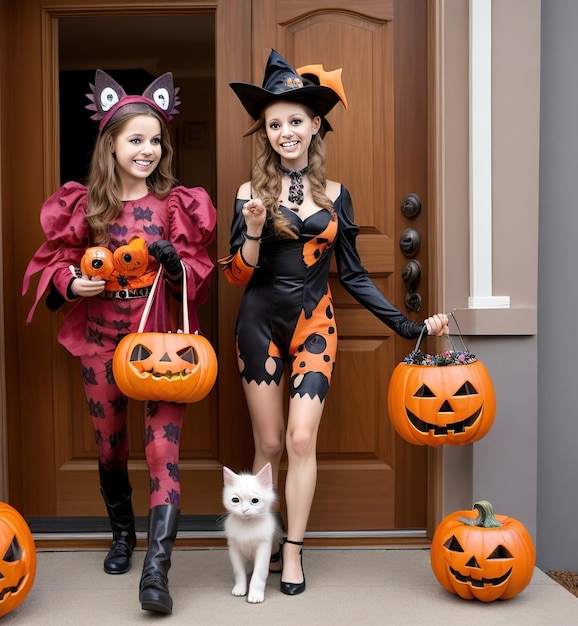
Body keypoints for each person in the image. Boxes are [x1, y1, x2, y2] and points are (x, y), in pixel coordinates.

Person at [221, 50, 449, 596]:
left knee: (302, 439)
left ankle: (293, 551)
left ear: (315, 124)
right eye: (274, 124)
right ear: (266, 133)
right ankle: (262, 545)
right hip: (257, 325)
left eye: (294, 121)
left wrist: (408, 327)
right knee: (270, 443)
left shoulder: (337, 195)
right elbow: (234, 276)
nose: (284, 132)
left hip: (315, 325)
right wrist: (252, 231)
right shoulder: (249, 194)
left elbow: (354, 274)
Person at [23, 69, 216, 614]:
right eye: (136, 139)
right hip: (103, 343)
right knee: (112, 447)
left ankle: (156, 571)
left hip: (161, 347)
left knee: (162, 452)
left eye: (156, 140)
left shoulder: (176, 204)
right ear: (111, 144)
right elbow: (54, 262)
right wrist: (69, 282)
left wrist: (176, 266)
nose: (148, 150)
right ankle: (122, 535)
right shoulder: (86, 207)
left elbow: (196, 276)